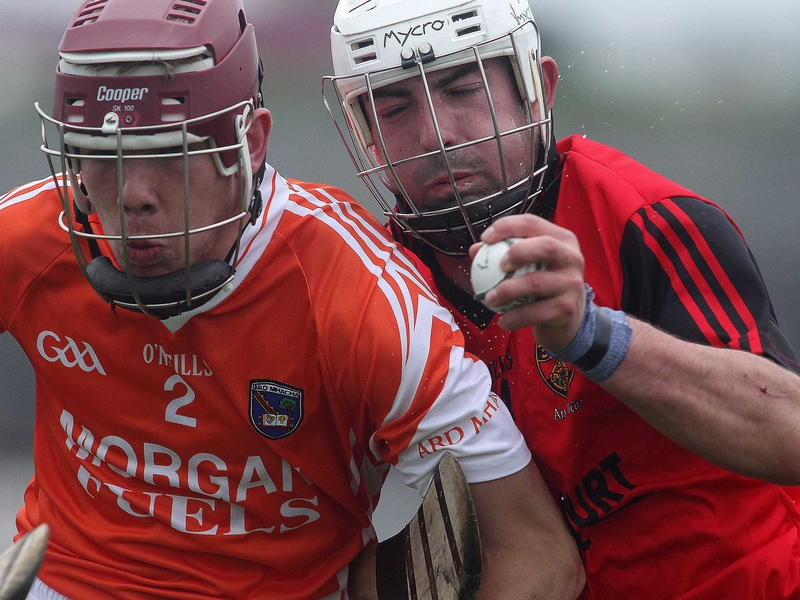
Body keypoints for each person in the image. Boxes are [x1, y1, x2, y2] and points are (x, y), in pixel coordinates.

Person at [0, 0, 585, 598]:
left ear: (249, 143)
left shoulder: (364, 299)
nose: (132, 197)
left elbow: (539, 555)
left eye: (169, 153)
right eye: (102, 156)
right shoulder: (32, 236)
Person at [323, 0, 800, 597]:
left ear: (537, 88)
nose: (435, 133)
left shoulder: (645, 219)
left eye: (463, 89)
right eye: (395, 108)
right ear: (366, 137)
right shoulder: (372, 286)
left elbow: (789, 432)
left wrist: (594, 335)